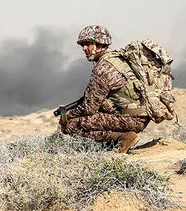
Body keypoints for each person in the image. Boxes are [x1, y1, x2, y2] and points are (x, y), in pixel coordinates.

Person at [59, 25, 150, 153]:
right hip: (140, 115)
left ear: (100, 44)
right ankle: (115, 142)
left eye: (87, 44)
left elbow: (89, 108)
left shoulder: (103, 69)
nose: (84, 48)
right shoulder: (118, 58)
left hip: (131, 119)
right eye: (82, 45)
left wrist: (67, 115)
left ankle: (123, 138)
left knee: (71, 125)